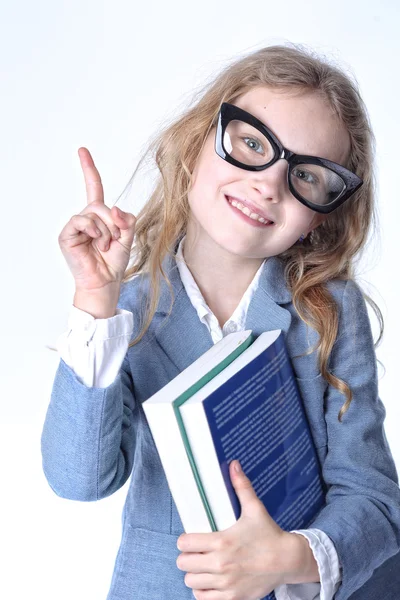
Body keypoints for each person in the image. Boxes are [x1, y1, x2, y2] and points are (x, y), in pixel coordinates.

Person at [41, 44, 400, 600]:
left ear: (317, 219)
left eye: (306, 175)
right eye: (252, 144)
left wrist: (290, 557)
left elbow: (374, 501)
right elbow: (81, 480)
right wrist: (95, 302)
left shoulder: (328, 310)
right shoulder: (127, 312)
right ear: (195, 149)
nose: (269, 184)